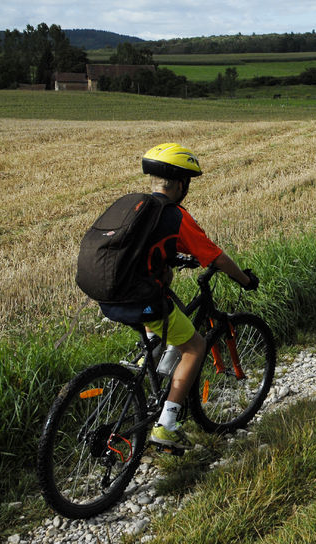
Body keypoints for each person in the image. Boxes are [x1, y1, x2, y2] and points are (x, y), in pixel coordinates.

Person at [99, 143, 258, 450]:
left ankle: (146, 376)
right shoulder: (174, 216)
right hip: (141, 300)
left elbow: (140, 249)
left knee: (164, 321)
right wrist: (244, 279)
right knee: (195, 346)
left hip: (109, 295)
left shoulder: (134, 206)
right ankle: (166, 425)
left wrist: (171, 257)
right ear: (180, 184)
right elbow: (216, 258)